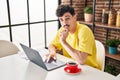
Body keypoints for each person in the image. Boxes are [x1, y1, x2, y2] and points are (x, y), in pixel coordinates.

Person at [45, 4, 100, 69]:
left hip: (89, 69)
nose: (64, 23)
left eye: (67, 18)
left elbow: (81, 60)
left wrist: (63, 41)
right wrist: (52, 52)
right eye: (61, 20)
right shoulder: (62, 30)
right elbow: (51, 45)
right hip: (72, 67)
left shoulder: (84, 31)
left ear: (74, 17)